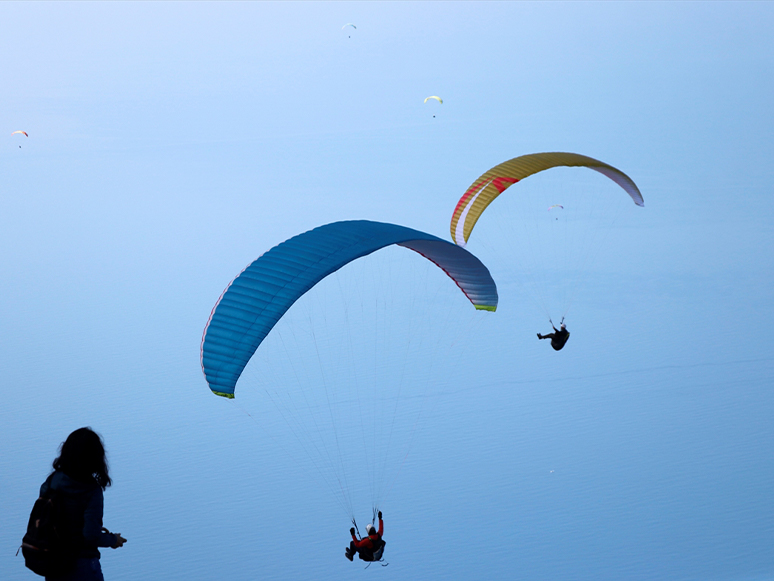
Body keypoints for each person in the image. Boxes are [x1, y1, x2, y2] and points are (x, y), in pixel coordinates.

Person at [41, 427, 126, 581]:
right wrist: (113, 540)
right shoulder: (92, 491)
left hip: (54, 565)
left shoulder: (52, 482)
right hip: (82, 566)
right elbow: (90, 536)